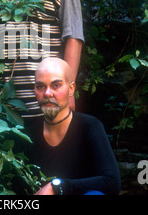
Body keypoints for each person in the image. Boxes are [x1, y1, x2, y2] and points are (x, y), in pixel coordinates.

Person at [29, 57, 120, 195]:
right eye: (40, 86)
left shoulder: (89, 127)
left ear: (71, 89)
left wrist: (57, 187)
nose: (47, 93)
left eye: (56, 85)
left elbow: (112, 182)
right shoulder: (28, 134)